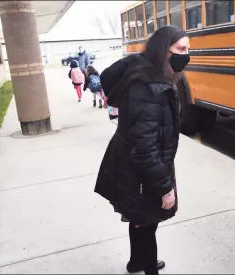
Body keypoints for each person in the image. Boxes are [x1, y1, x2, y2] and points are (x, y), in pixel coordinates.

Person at [94, 25, 190, 275]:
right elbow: (145, 148)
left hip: (137, 165)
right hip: (141, 169)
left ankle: (136, 262)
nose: (186, 55)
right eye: (181, 49)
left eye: (188, 49)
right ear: (163, 50)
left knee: (140, 218)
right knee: (146, 222)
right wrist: (164, 187)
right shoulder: (148, 86)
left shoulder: (154, 77)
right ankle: (148, 268)